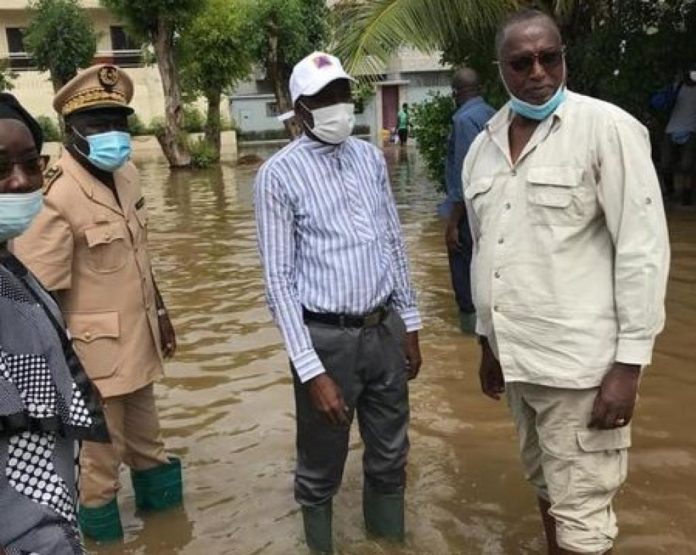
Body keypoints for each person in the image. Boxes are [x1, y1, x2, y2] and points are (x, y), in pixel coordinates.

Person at [462, 9, 669, 555]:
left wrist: (628, 368)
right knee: (546, 491)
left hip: (581, 370)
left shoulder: (608, 130)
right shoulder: (483, 144)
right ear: (500, 69)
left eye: (549, 57)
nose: (538, 72)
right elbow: (488, 250)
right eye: (522, 62)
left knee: (583, 517)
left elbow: (643, 252)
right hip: (518, 362)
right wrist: (487, 343)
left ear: (563, 57)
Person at [255, 51, 422, 554]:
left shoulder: (369, 157)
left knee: (391, 454)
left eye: (343, 95)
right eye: (324, 99)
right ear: (300, 109)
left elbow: (392, 241)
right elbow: (278, 283)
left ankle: (388, 543)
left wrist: (409, 323)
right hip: (326, 340)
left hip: (383, 328)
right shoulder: (277, 176)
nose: (339, 108)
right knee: (321, 463)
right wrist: (311, 371)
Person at [13, 64, 182, 543]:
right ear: (71, 131)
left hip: (140, 345)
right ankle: (104, 545)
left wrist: (164, 313)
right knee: (98, 472)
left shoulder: (126, 175)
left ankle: (168, 537)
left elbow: (138, 256)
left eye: (119, 122)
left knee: (152, 449)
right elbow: (36, 297)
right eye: (98, 125)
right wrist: (61, 379)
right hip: (91, 364)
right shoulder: (56, 195)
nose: (113, 134)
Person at [0, 92, 108, 554]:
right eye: (0, 168)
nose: (21, 183)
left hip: (49, 513)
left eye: (30, 163)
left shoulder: (11, 271)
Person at [444, 68, 496, 333]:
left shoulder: (463, 120)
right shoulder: (492, 114)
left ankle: (470, 333)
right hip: (491, 208)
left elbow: (464, 177)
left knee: (463, 273)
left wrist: (453, 223)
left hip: (468, 212)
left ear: (455, 93)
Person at [660, 62, 696, 205]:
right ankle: (670, 192)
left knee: (687, 166)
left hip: (692, 130)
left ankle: (686, 196)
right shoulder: (677, 87)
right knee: (665, 165)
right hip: (671, 129)